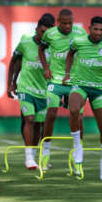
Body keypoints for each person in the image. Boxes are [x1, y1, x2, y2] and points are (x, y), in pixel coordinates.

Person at [38, 9, 87, 170]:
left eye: (70, 23)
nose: (67, 26)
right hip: (55, 81)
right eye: (64, 23)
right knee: (51, 114)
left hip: (75, 82)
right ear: (58, 21)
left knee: (78, 117)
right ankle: (45, 152)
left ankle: (77, 151)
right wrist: (45, 67)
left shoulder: (80, 32)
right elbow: (41, 49)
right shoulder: (50, 34)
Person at [63, 16, 102, 180]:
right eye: (96, 29)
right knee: (74, 109)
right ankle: (77, 146)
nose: (98, 33)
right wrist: (68, 74)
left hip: (98, 89)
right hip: (80, 84)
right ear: (89, 28)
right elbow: (70, 55)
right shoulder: (78, 41)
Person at [7, 13, 55, 169]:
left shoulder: (54, 46)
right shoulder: (25, 41)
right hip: (25, 87)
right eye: (42, 32)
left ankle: (33, 156)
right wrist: (11, 83)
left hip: (44, 91)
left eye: (47, 33)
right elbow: (15, 61)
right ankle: (28, 158)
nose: (43, 36)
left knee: (38, 125)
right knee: (29, 119)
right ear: (36, 29)